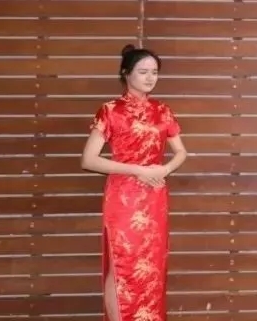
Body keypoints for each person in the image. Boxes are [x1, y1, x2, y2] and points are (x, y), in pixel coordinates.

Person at [80, 44, 188, 321]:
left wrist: (164, 169)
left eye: (154, 72)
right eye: (143, 72)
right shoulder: (110, 110)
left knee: (152, 266)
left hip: (155, 196)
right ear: (126, 73)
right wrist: (137, 170)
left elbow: (181, 152)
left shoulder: (162, 110)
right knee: (122, 264)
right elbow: (89, 160)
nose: (150, 78)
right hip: (124, 197)